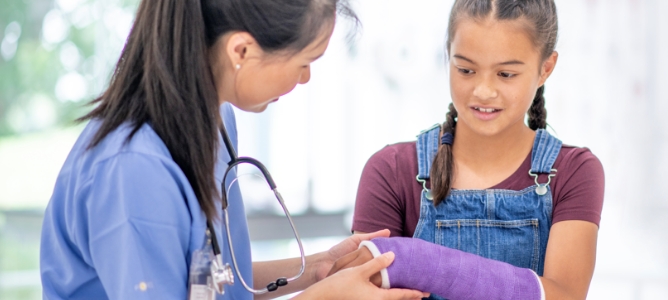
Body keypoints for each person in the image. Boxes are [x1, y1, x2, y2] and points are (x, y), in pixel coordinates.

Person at [39, 0, 426, 299]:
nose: (306, 79)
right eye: (304, 62)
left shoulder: (215, 120)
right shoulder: (133, 172)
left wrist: (321, 269)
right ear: (240, 51)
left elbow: (213, 281)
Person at [345, 0, 605, 299]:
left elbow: (564, 296)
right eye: (466, 70)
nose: (483, 90)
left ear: (545, 68)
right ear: (448, 58)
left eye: (506, 74)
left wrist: (416, 261)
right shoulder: (390, 170)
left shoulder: (573, 170)